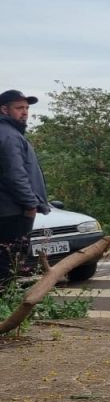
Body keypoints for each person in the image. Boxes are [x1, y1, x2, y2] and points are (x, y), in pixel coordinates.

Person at [0, 90, 50, 285]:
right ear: (4, 109)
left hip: (8, 210)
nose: (25, 112)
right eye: (19, 108)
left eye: (27, 108)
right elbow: (15, 175)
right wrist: (30, 204)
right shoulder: (10, 136)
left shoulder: (9, 133)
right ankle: (7, 308)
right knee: (10, 264)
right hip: (12, 211)